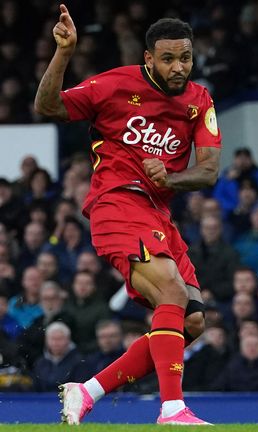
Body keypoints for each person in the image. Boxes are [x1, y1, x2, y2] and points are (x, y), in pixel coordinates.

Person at [34, 6, 220, 425]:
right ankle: (172, 409)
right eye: (168, 59)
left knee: (190, 321)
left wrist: (171, 178)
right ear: (148, 58)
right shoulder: (115, 84)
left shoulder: (198, 100)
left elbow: (209, 170)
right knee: (172, 293)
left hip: (159, 213)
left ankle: (88, 391)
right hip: (117, 202)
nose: (178, 67)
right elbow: (48, 106)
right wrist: (64, 54)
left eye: (185, 58)